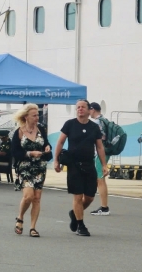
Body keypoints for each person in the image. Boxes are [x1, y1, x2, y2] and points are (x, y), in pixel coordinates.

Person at [54, 99, 107, 237]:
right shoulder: (70, 124)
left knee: (89, 197)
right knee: (78, 196)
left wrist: (104, 165)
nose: (80, 109)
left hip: (89, 164)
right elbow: (60, 142)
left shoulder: (94, 128)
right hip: (74, 165)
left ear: (89, 110)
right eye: (78, 107)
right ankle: (80, 225)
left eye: (83, 107)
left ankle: (74, 213)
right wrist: (55, 161)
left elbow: (100, 147)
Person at [11, 104, 52, 237]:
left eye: (37, 115)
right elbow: (14, 151)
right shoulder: (19, 132)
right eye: (34, 115)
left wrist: (47, 148)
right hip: (25, 166)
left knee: (37, 198)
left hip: (40, 167)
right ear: (26, 117)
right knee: (28, 196)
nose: (37, 117)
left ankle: (33, 227)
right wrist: (30, 153)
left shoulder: (41, 129)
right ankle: (20, 217)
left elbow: (46, 143)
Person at [88, 102, 112, 216]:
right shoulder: (105, 120)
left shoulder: (97, 122)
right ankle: (103, 206)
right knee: (99, 178)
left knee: (100, 179)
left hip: (99, 153)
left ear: (92, 109)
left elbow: (97, 140)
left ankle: (104, 207)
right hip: (105, 151)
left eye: (89, 109)